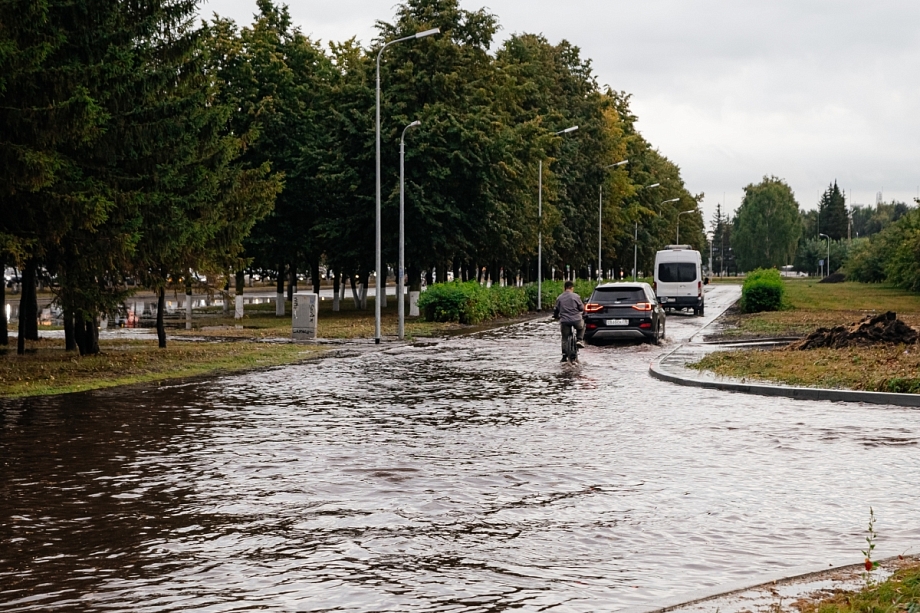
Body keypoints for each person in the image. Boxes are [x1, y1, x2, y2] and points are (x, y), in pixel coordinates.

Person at [552, 280, 585, 361]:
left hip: (565, 321)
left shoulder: (559, 297)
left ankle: (564, 356)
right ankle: (580, 339)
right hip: (576, 320)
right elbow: (581, 308)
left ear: (564, 288)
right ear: (572, 288)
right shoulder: (576, 296)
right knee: (582, 326)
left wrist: (555, 316)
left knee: (564, 338)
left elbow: (556, 309)